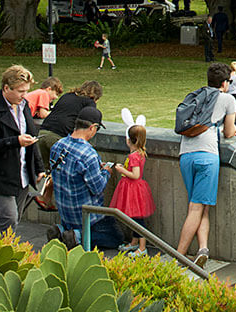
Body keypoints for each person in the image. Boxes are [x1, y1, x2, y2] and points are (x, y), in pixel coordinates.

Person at [174, 62, 236, 267]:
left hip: (186, 155)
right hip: (207, 155)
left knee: (202, 206)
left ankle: (203, 249)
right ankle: (179, 257)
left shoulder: (196, 95)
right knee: (196, 207)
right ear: (224, 83)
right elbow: (228, 132)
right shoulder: (228, 99)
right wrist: (235, 131)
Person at [0, 65, 42, 235]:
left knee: (14, 220)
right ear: (6, 88)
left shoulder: (24, 105)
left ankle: (5, 253)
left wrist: (39, 167)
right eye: (20, 91)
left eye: (26, 90)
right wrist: (15, 141)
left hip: (22, 176)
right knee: (9, 218)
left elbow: (32, 137)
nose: (24, 95)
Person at [49, 106, 123, 249]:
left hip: (65, 213)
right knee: (116, 238)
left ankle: (61, 230)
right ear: (92, 127)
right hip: (86, 216)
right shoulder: (88, 154)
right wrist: (106, 172)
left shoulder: (58, 145)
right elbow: (98, 187)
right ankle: (77, 236)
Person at [111, 123, 155, 257]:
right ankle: (134, 241)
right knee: (133, 218)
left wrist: (121, 170)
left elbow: (135, 175)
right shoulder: (139, 153)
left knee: (137, 219)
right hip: (132, 189)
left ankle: (142, 247)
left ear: (129, 140)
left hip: (133, 189)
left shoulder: (134, 156)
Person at [38, 80, 103, 168]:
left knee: (43, 172)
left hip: (42, 133)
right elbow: (87, 123)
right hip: (59, 139)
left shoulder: (67, 95)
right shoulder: (89, 102)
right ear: (96, 97)